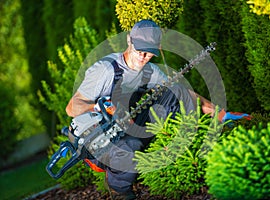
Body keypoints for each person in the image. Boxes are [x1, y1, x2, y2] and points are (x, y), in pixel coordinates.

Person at [65, 19, 250, 199]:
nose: (143, 57)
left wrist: (222, 114)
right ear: (129, 39)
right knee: (130, 150)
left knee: (176, 91)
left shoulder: (150, 72)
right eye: (140, 50)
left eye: (149, 53)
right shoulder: (106, 70)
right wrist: (100, 106)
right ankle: (118, 188)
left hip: (126, 126)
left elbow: (184, 95)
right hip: (96, 137)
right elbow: (72, 107)